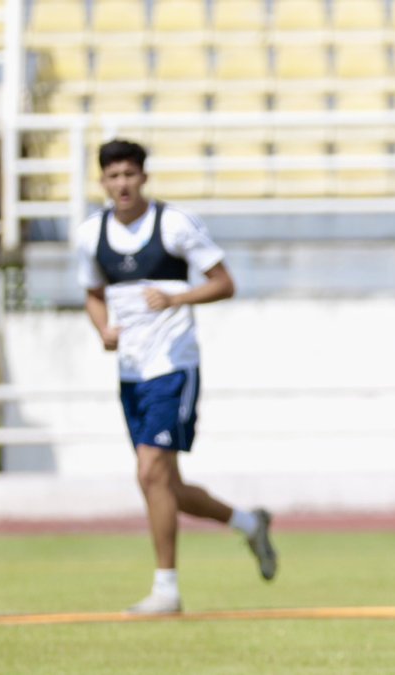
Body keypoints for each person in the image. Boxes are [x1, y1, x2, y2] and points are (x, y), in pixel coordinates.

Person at [76, 139, 278, 614]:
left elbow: (224, 282)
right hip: (132, 373)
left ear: (143, 177)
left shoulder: (174, 225)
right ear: (102, 182)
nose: (122, 183)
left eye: (130, 174)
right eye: (113, 176)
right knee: (162, 483)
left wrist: (177, 299)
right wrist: (102, 328)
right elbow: (93, 294)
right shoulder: (90, 234)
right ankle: (250, 523)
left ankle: (166, 590)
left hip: (173, 366)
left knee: (149, 471)